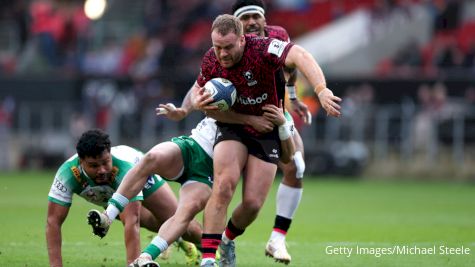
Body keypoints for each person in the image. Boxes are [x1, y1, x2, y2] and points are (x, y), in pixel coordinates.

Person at [192, 14, 341, 267]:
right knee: (224, 185)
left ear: (242, 40)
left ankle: (228, 239)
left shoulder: (263, 48)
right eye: (218, 47)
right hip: (234, 126)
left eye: (228, 47)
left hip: (269, 128)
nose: (223, 54)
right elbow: (202, 100)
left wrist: (321, 89)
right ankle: (208, 259)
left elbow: (301, 56)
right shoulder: (210, 59)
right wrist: (196, 102)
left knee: (251, 204)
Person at [89, 88, 295, 267]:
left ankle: (144, 258)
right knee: (151, 157)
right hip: (192, 146)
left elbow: (289, 155)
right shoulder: (231, 82)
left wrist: (283, 125)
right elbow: (198, 90)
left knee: (184, 214)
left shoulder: (274, 110)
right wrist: (186, 108)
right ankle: (108, 215)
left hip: (207, 172)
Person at [46, 129, 200, 266]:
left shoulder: (124, 168)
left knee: (181, 221)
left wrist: (131, 264)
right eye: (93, 166)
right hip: (107, 193)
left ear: (110, 154)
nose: (101, 170)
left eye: (105, 162)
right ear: (81, 162)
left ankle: (215, 248)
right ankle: (181, 242)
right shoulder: (67, 174)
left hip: (142, 176)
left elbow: (132, 221)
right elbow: (53, 221)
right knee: (149, 222)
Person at [231, 0, 310, 263]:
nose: (252, 22)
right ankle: (194, 235)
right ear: (235, 24)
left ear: (265, 20)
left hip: (272, 113)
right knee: (218, 186)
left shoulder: (279, 36)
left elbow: (291, 66)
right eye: (245, 18)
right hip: (234, 119)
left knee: (296, 167)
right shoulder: (227, 44)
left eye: (256, 16)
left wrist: (292, 96)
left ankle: (276, 239)